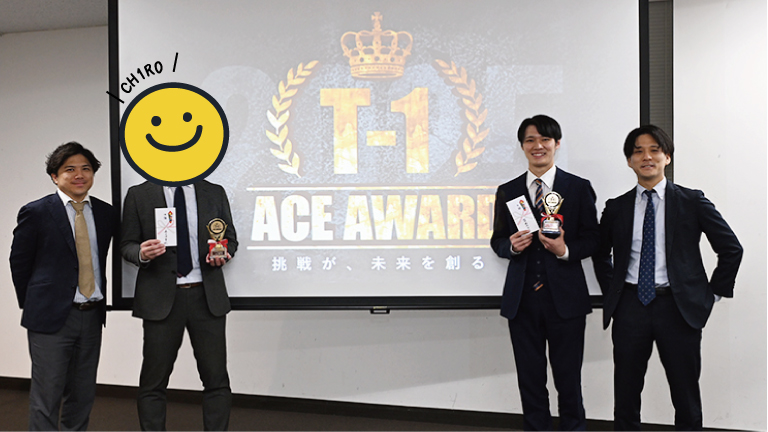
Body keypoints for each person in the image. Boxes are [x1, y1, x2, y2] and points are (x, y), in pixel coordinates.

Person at [592, 125, 742, 430]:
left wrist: (710, 295)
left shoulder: (691, 201)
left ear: (667, 157)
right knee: (626, 392)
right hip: (630, 307)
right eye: (638, 151)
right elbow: (600, 253)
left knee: (685, 393)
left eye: (654, 150)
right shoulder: (617, 207)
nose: (646, 157)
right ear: (629, 161)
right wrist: (614, 294)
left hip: (678, 308)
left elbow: (731, 248)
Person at [490, 115, 599, 430]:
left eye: (545, 139)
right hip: (522, 301)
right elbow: (497, 240)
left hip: (566, 301)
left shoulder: (577, 187)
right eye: (530, 140)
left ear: (557, 144)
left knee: (569, 378)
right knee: (530, 379)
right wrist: (511, 246)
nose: (537, 146)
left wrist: (565, 250)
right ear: (522, 146)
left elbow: (594, 239)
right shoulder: (508, 191)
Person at [10, 142, 116, 430]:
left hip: (92, 314)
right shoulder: (36, 212)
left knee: (83, 394)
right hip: (50, 318)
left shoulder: (105, 213)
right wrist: (35, 304)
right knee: (47, 395)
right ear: (55, 176)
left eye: (86, 168)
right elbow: (19, 263)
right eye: (70, 169)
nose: (79, 175)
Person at [121, 180, 238, 431]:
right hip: (161, 300)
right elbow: (126, 245)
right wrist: (141, 253)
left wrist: (222, 253)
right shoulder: (139, 194)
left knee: (216, 380)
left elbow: (230, 239)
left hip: (207, 298)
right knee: (153, 382)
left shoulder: (213, 192)